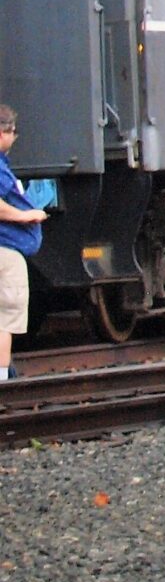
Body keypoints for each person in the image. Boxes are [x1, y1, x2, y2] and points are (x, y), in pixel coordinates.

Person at [0, 105, 47, 379]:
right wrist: (25, 215)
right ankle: (3, 378)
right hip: (5, 249)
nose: (14, 138)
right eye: (12, 132)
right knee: (4, 318)